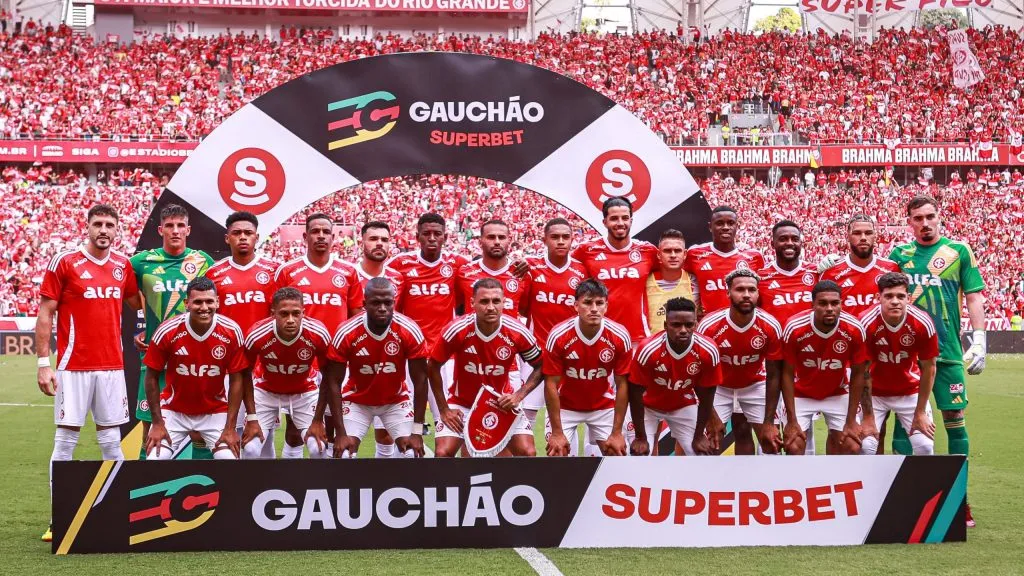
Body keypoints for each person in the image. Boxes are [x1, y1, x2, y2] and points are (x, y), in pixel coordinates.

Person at [36, 204, 141, 543]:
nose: (104, 230)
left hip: (112, 368)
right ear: (87, 226)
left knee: (112, 441)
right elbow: (46, 312)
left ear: (118, 229)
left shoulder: (123, 266)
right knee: (66, 440)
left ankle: (119, 511)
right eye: (98, 223)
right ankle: (59, 516)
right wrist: (43, 364)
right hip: (73, 367)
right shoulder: (65, 262)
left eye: (111, 224)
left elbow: (137, 303)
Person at [887, 195, 986, 527]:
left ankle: (959, 499)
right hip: (906, 355)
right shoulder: (899, 256)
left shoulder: (958, 251)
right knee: (904, 421)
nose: (925, 223)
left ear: (939, 217)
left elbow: (972, 296)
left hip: (947, 353)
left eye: (930, 216)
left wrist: (980, 338)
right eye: (918, 218)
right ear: (909, 221)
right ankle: (903, 496)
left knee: (954, 418)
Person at [572, 197, 656, 456]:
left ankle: (636, 472)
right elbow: (562, 267)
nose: (620, 223)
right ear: (605, 221)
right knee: (597, 406)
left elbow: (679, 272)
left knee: (636, 410)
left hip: (636, 341)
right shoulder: (587, 251)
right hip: (598, 342)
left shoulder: (647, 252)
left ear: (631, 219)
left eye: (624, 218)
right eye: (614, 218)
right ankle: (591, 465)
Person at [274, 213, 363, 458]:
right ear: (305, 236)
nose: (321, 236)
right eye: (315, 231)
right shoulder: (288, 271)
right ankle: (291, 482)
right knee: (294, 431)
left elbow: (356, 317)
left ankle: (330, 484)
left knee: (333, 427)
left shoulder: (348, 271)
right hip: (300, 360)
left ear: (334, 237)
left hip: (336, 362)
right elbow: (276, 316)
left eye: (326, 231)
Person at [130, 204, 215, 459]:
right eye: (169, 226)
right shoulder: (142, 262)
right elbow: (128, 294)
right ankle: (143, 490)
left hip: (194, 359)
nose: (175, 231)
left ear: (188, 229)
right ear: (160, 230)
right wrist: (144, 324)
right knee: (151, 430)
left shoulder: (202, 261)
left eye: (180, 226)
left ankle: (205, 493)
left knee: (199, 432)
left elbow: (212, 304)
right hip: (157, 359)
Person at [429, 278, 543, 457]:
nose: (490, 307)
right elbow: (433, 366)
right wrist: (444, 409)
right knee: (443, 452)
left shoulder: (517, 332)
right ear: (472, 303)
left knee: (528, 452)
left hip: (501, 404)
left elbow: (541, 366)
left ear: (504, 302)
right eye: (484, 301)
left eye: (496, 301)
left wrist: (519, 395)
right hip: (462, 404)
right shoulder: (457, 329)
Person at [684, 205, 765, 453]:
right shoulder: (695, 255)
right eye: (720, 223)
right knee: (707, 430)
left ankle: (747, 483)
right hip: (711, 342)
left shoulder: (753, 257)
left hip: (744, 343)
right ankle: (709, 488)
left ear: (737, 226)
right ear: (710, 227)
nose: (726, 227)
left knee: (742, 428)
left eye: (731, 223)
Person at [318, 278, 428, 458]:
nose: (383, 308)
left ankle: (394, 484)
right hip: (357, 401)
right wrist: (341, 433)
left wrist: (417, 432)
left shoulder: (409, 329)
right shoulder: (347, 332)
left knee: (412, 453)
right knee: (344, 453)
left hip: (395, 401)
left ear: (394, 302)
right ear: (364, 304)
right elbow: (333, 382)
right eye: (376, 303)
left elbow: (421, 381)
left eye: (388, 303)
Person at [142, 277, 249, 460]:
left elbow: (237, 379)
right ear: (187, 303)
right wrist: (158, 423)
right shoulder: (167, 331)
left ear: (217, 302)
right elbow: (151, 377)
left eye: (209, 301)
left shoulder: (231, 331)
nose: (204, 307)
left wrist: (230, 428)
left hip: (214, 411)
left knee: (230, 461)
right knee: (154, 459)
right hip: (174, 411)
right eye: (198, 302)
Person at [205, 211, 279, 457]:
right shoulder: (214, 274)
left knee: (265, 434)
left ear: (257, 237)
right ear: (227, 238)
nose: (243, 238)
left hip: (264, 366)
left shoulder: (273, 271)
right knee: (231, 431)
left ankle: (267, 485)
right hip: (228, 366)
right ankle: (237, 488)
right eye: (237, 233)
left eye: (248, 233)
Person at [388, 213, 468, 434]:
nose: (432, 238)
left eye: (437, 234)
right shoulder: (399, 264)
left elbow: (465, 303)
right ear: (417, 237)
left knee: (451, 424)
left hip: (444, 358)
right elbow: (391, 308)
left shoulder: (459, 264)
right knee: (402, 426)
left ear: (445, 237)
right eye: (427, 234)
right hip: (409, 356)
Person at [697, 269, 784, 454]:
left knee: (771, 442)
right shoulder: (709, 326)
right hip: (718, 388)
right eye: (740, 289)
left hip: (754, 385)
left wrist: (768, 423)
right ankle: (712, 483)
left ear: (758, 293)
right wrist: (710, 416)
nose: (746, 295)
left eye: (751, 290)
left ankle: (759, 482)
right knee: (710, 442)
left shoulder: (770, 325)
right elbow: (699, 375)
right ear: (728, 292)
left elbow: (774, 374)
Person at [544, 279, 633, 457]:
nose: (594, 308)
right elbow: (550, 384)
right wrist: (557, 432)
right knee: (557, 452)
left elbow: (623, 384)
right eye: (587, 302)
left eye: (599, 303)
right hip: (565, 407)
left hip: (602, 406)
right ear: (576, 305)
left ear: (606, 306)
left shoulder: (619, 335)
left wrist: (616, 433)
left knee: (618, 452)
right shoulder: (559, 335)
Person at [240, 287, 332, 459]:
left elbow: (329, 377)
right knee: (251, 449)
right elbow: (245, 374)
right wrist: (251, 417)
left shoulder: (318, 333)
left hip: (305, 392)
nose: (290, 320)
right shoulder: (257, 334)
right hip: (265, 392)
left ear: (303, 312)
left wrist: (318, 420)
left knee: (318, 448)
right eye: (284, 314)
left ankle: (314, 485)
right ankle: (254, 485)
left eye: (296, 313)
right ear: (273, 313)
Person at [780, 280, 868, 455]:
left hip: (837, 392)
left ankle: (834, 480)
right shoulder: (794, 327)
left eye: (835, 303)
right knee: (793, 445)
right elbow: (787, 374)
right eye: (823, 303)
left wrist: (851, 420)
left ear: (841, 304)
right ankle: (801, 482)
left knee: (851, 445)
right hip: (801, 393)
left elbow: (859, 374)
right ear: (812, 304)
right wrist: (791, 420)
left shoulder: (854, 328)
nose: (829, 308)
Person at [858, 272, 938, 456]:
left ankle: (920, 485)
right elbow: (862, 371)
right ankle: (871, 485)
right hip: (874, 394)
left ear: (909, 298)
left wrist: (920, 413)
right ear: (878, 298)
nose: (895, 301)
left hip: (910, 391)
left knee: (924, 446)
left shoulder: (922, 322)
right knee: (866, 446)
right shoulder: (865, 322)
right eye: (889, 296)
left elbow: (930, 368)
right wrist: (868, 417)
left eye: (901, 296)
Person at [629, 297, 720, 457]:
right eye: (676, 325)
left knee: (703, 453)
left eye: (689, 325)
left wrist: (699, 436)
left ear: (696, 324)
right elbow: (635, 394)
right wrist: (640, 437)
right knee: (639, 454)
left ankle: (685, 483)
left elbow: (707, 396)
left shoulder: (708, 350)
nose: (683, 330)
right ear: (666, 326)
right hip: (648, 407)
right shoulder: (648, 349)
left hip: (682, 405)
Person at [521, 218, 588, 436]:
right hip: (535, 356)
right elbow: (523, 309)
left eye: (565, 237)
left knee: (566, 415)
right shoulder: (530, 268)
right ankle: (522, 463)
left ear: (572, 240)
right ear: (544, 239)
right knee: (524, 413)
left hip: (570, 356)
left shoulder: (581, 271)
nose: (560, 241)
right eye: (555, 237)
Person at [757, 220, 818, 454]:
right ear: (773, 242)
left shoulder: (814, 273)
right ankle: (768, 481)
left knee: (803, 431)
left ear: (802, 242)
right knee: (769, 427)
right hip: (770, 366)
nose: (789, 243)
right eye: (783, 238)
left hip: (805, 364)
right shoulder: (761, 278)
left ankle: (805, 480)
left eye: (794, 238)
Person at [354, 221, 406, 459]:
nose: (379, 244)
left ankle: (381, 479)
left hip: (389, 358)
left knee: (385, 432)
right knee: (346, 431)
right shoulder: (349, 273)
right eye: (373, 239)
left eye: (384, 240)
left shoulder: (398, 277)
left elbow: (400, 319)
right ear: (362, 241)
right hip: (354, 360)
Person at [820, 214, 901, 318]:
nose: (863, 238)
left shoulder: (892, 269)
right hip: (847, 333)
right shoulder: (830, 272)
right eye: (857, 233)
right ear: (848, 237)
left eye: (868, 233)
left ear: (875, 237)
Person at [645, 229, 696, 330]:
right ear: (659, 255)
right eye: (667, 251)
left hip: (686, 344)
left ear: (685, 254)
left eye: (677, 251)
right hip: (653, 344)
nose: (673, 255)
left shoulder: (694, 282)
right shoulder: (644, 282)